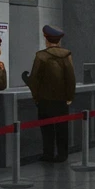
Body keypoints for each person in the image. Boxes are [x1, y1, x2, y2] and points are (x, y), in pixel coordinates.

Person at [25, 25, 75, 163]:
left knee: (46, 129)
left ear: (46, 39)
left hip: (45, 99)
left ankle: (48, 154)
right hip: (61, 99)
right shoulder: (67, 55)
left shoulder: (41, 56)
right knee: (62, 128)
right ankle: (62, 155)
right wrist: (70, 96)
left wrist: (36, 97)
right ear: (59, 41)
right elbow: (70, 78)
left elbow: (34, 79)